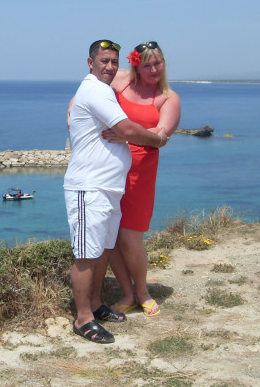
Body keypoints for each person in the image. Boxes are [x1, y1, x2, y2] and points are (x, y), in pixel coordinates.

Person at [64, 39, 167, 344]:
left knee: (103, 251)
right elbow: (126, 129)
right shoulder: (95, 90)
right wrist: (158, 140)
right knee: (87, 254)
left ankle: (96, 304)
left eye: (114, 61)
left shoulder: (104, 89)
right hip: (89, 187)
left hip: (109, 188)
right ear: (90, 63)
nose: (109, 67)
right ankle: (83, 319)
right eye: (103, 61)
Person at [104, 41, 181, 317]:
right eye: (147, 65)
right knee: (110, 236)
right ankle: (127, 294)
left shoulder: (168, 97)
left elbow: (161, 138)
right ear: (136, 65)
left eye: (157, 63)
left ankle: (143, 292)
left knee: (130, 237)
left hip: (141, 174)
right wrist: (72, 107)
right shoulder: (122, 79)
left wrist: (127, 134)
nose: (153, 70)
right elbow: (89, 90)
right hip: (110, 168)